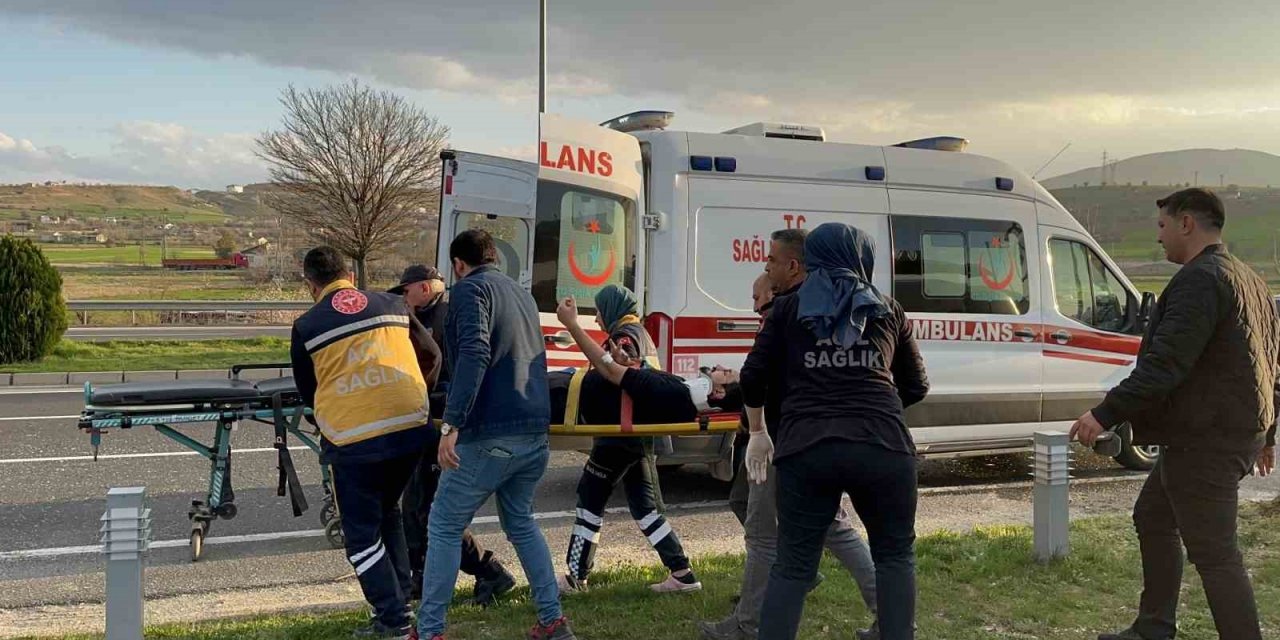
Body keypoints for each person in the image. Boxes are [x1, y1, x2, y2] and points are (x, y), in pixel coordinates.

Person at [1070, 188, 1279, 640]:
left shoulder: (1201, 280)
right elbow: (1269, 364)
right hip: (1218, 435)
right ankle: (1154, 627)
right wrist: (1268, 434)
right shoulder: (1252, 280)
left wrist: (1104, 414)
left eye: (1162, 226)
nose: (1158, 237)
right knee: (1154, 516)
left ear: (1187, 224)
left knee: (1217, 555)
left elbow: (1166, 364)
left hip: (1206, 440)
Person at [742, 223, 929, 640]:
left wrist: (761, 429)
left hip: (806, 448)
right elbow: (916, 385)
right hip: (883, 446)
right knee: (895, 556)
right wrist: (876, 411)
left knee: (792, 565)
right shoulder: (887, 308)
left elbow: (753, 377)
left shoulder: (787, 308)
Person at [703, 229, 883, 640]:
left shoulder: (789, 311)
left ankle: (748, 625)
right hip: (822, 438)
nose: (766, 267)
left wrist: (755, 423)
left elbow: (762, 379)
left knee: (768, 534)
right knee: (825, 526)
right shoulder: (843, 307)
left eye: (770, 262)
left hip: (788, 440)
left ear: (793, 266)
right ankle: (887, 612)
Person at [418, 229, 576, 640]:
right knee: (521, 522)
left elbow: (474, 353)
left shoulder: (470, 292)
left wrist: (451, 423)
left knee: (444, 524)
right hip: (534, 431)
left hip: (489, 433)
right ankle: (552, 619)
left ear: (458, 264)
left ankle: (430, 630)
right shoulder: (521, 294)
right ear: (494, 256)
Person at [290, 246, 432, 640]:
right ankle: (401, 600)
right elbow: (429, 354)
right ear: (350, 275)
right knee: (388, 513)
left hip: (355, 440)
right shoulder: (393, 303)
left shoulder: (307, 324)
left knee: (360, 536)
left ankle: (394, 621)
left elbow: (309, 391)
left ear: (310, 284)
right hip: (410, 428)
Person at [557, 285, 707, 595]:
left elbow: (623, 369)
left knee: (590, 501)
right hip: (637, 436)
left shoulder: (626, 334)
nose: (597, 319)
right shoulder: (639, 331)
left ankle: (575, 575)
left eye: (599, 312)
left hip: (618, 437)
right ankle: (682, 573)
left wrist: (574, 327)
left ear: (611, 309)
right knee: (645, 508)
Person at [388, 265, 515, 606]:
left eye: (407, 290)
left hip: (446, 423)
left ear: (426, 289)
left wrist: (448, 419)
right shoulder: (424, 317)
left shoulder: (449, 317)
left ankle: (490, 571)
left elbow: (458, 372)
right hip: (427, 420)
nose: (403, 297)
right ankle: (420, 575)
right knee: (413, 506)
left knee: (432, 511)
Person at [728, 273, 776, 527]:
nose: (754, 306)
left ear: (772, 294)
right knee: (742, 501)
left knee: (751, 511)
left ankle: (781, 558)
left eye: (757, 298)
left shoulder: (777, 322)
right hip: (764, 429)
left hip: (770, 432)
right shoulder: (771, 321)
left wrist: (757, 426)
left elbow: (759, 377)